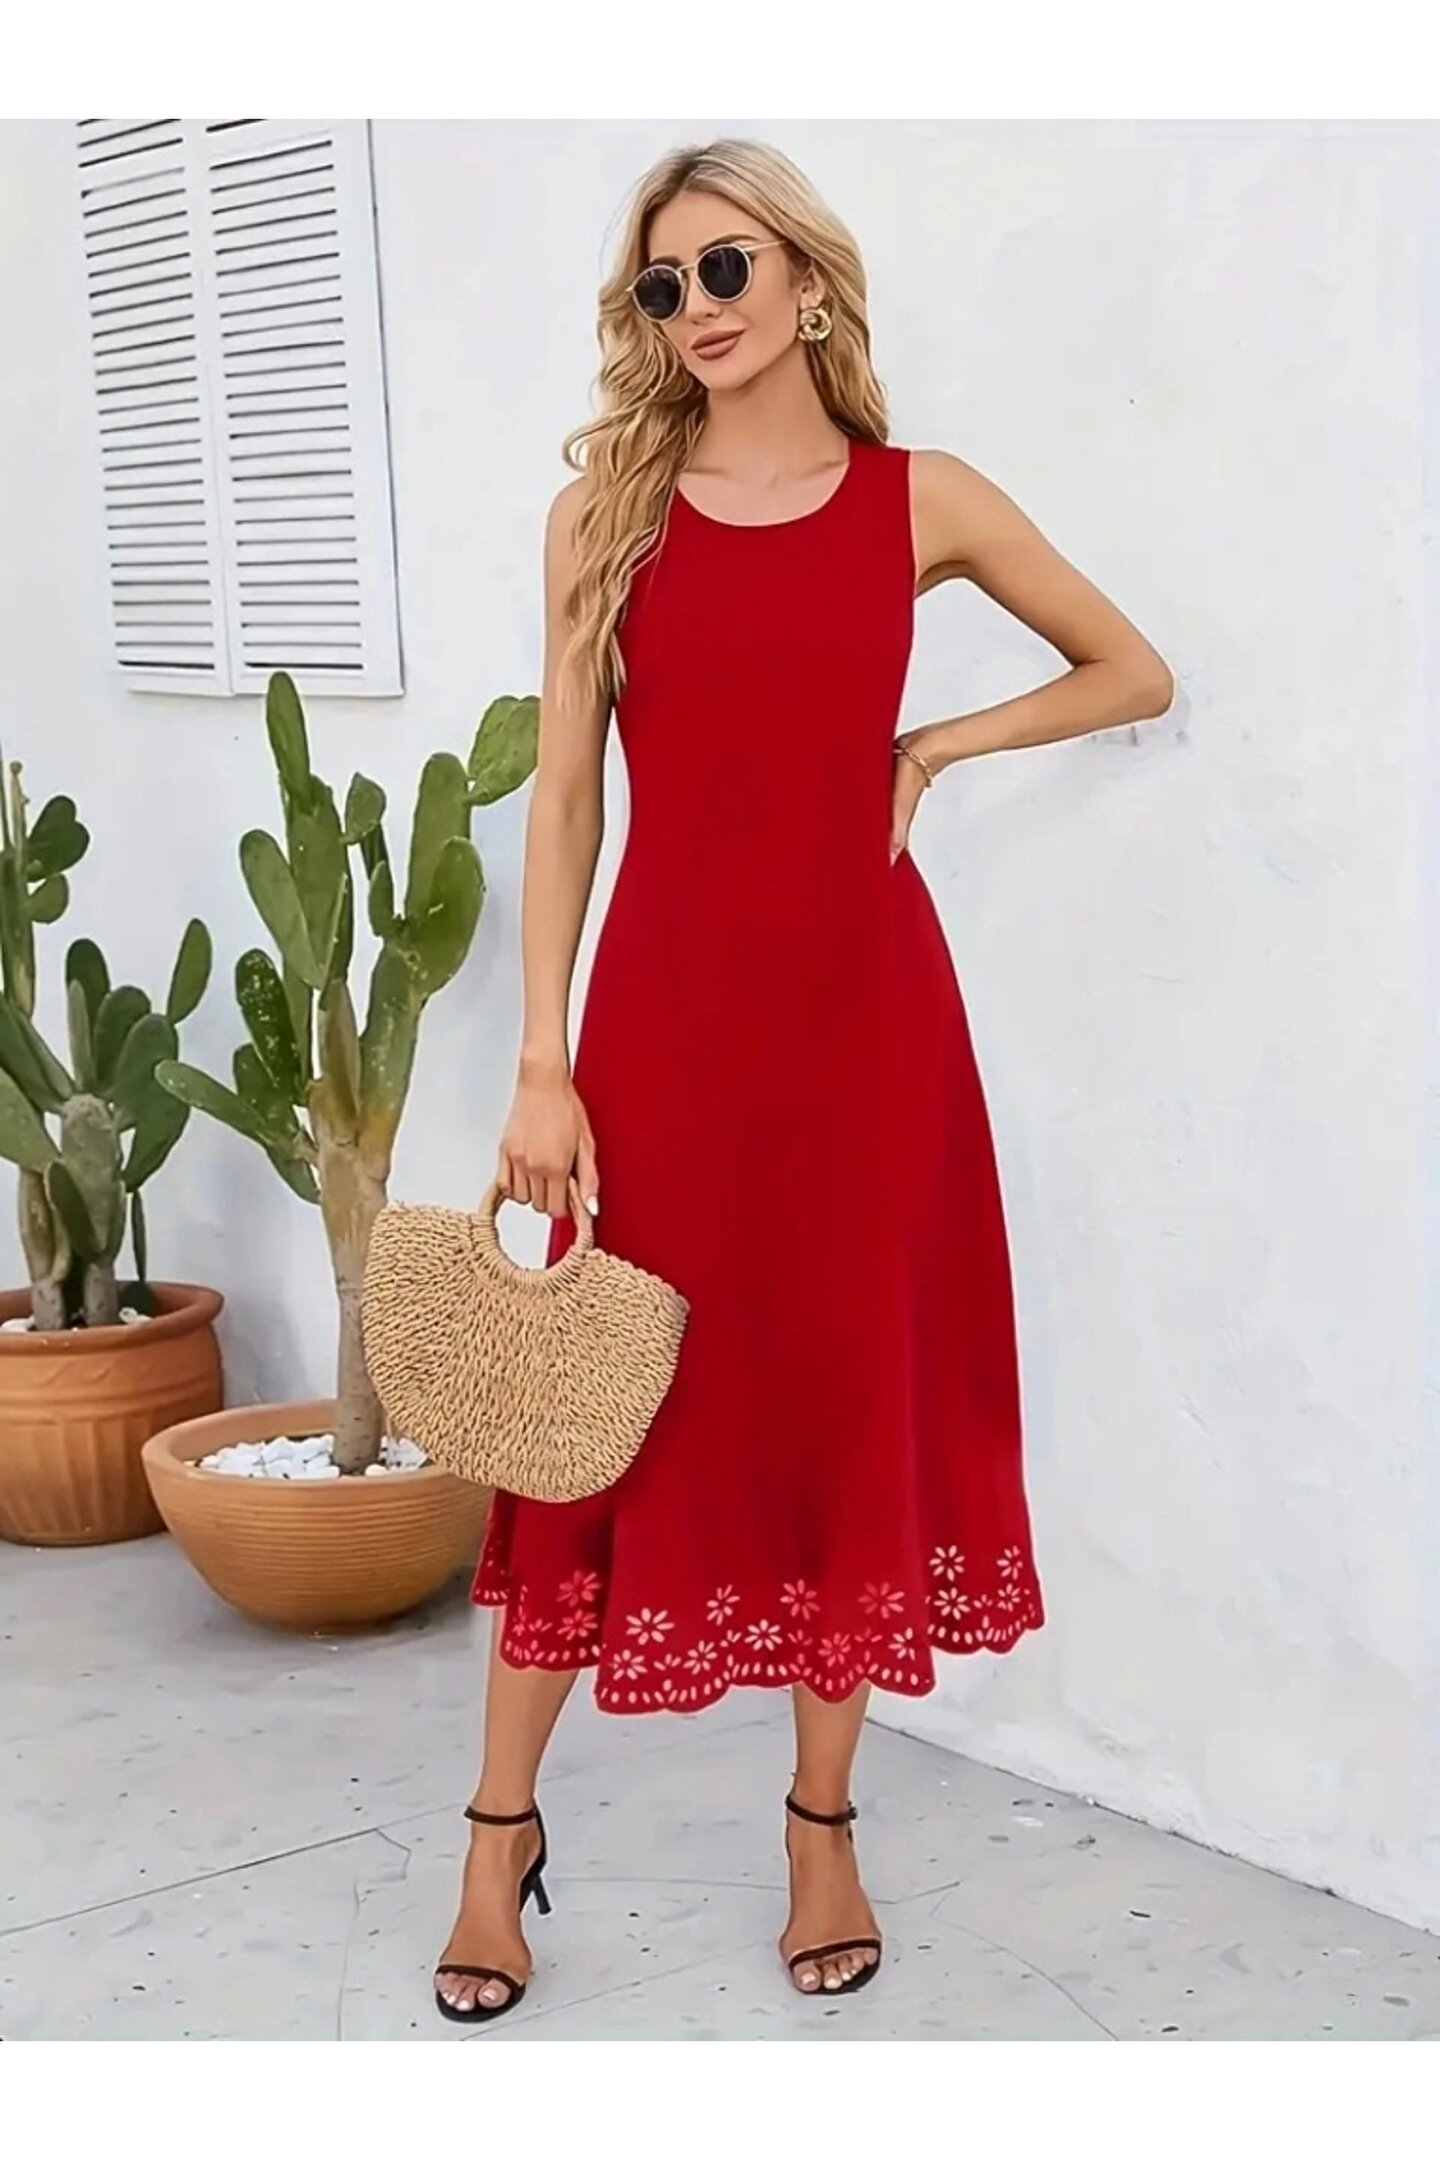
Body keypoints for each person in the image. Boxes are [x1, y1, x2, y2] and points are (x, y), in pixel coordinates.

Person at [434, 137, 1173, 2024]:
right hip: (665, 1034)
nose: (694, 308)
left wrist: (935, 745)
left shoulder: (926, 499)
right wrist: (542, 1058)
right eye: (661, 284)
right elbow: (569, 800)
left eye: (725, 268)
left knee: (843, 1402)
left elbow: (1130, 669)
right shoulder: (607, 511)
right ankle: (498, 1836)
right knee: (592, 1415)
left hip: (868, 1035)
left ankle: (821, 1825)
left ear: (809, 283)